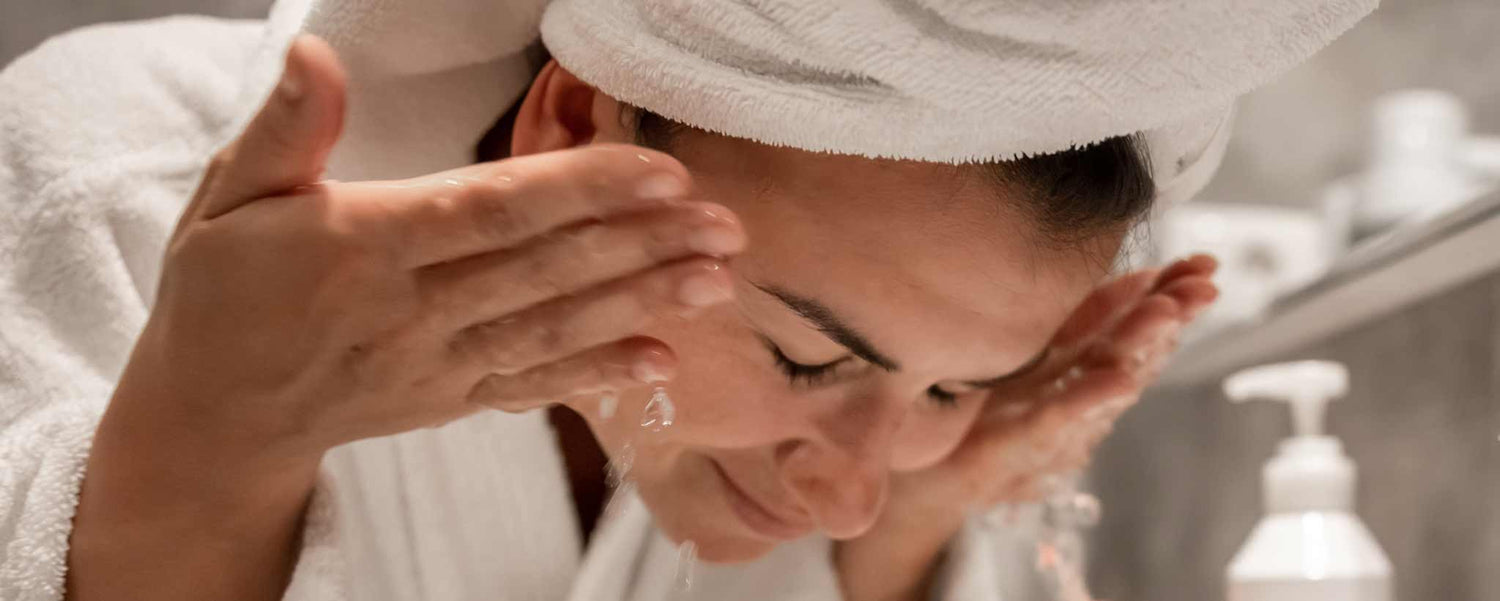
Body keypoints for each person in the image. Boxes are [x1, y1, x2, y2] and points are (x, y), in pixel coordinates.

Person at [0, 1, 1374, 600]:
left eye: (951, 384)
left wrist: (915, 527)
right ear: (579, 121)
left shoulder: (848, 471)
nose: (845, 488)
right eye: (808, 355)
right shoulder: (117, 165)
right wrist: (203, 439)